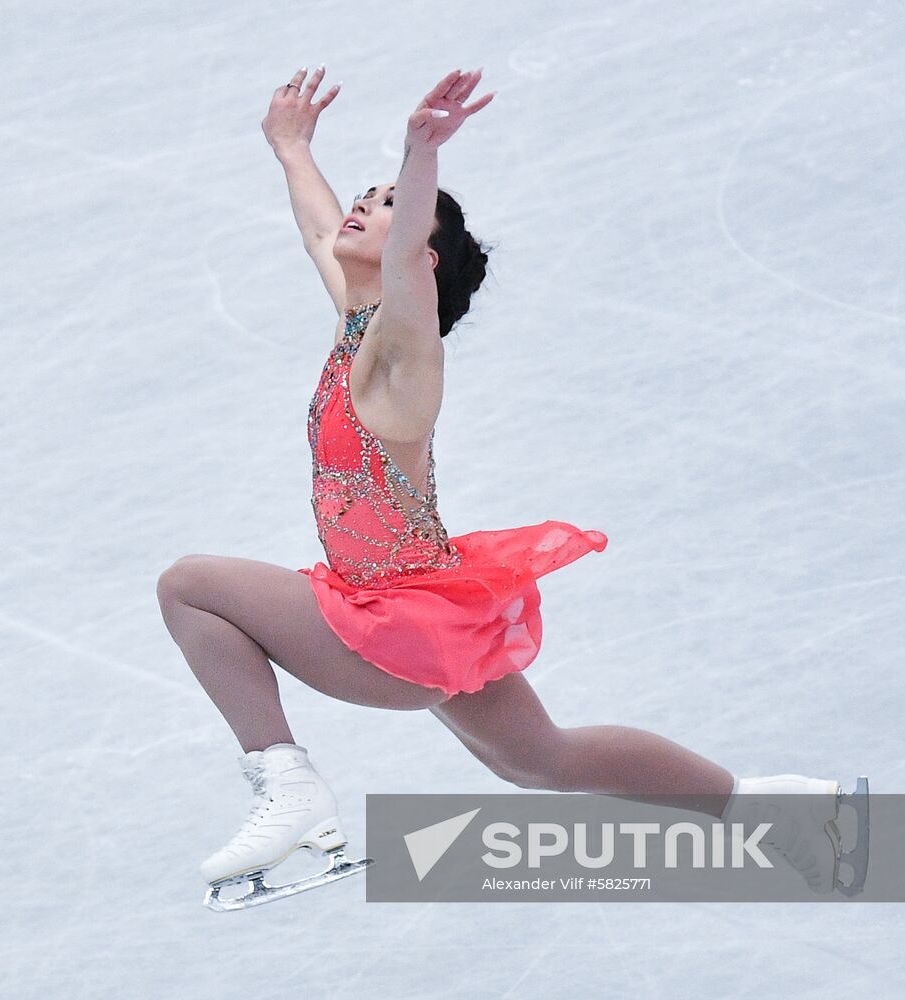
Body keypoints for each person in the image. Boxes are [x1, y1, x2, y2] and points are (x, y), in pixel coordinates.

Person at [156, 66, 864, 907]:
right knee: (539, 760)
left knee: (191, 586)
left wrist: (420, 158)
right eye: (368, 192)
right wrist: (290, 147)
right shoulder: (356, 322)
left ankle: (288, 789)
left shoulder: (401, 350)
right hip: (431, 607)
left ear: (418, 255)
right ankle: (783, 811)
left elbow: (405, 255)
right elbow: (322, 231)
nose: (362, 203)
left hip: (388, 627)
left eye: (385, 204)